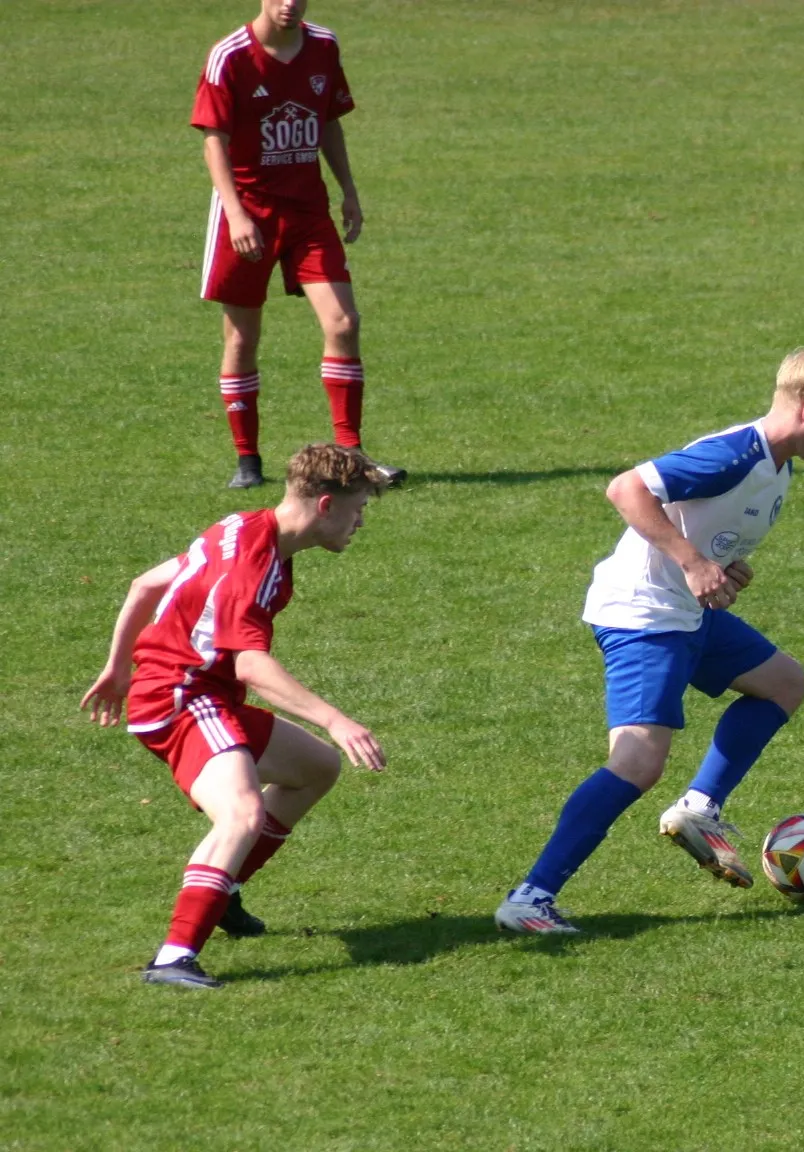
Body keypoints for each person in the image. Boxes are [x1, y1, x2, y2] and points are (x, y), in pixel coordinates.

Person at [495, 348, 804, 934]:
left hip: (688, 613)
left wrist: (723, 566)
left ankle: (699, 809)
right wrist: (694, 563)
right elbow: (626, 489)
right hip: (643, 616)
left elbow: (704, 527)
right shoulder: (733, 455)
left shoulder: (778, 463)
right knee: (639, 761)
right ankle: (530, 899)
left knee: (782, 684)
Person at [80, 444, 390, 988]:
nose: (362, 520)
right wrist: (336, 720)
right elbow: (250, 664)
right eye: (359, 506)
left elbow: (146, 584)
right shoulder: (257, 564)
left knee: (316, 769)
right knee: (242, 815)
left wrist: (117, 667)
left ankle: (223, 890)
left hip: (193, 691)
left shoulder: (242, 525)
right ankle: (174, 957)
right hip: (183, 697)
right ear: (324, 505)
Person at [192, 0, 405, 490]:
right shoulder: (231, 55)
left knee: (343, 323)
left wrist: (348, 189)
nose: (289, 3)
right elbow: (212, 140)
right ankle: (247, 459)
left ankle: (350, 455)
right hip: (248, 211)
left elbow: (329, 120)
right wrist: (237, 214)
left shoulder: (324, 46)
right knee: (242, 338)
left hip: (309, 211)